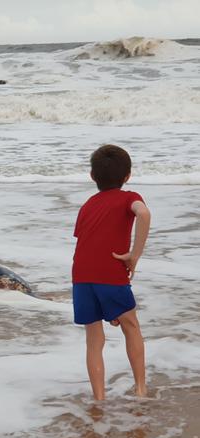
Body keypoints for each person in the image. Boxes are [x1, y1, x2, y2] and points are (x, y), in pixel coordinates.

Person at [72, 144, 151, 400]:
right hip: (109, 272)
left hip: (81, 275)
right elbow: (144, 213)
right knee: (131, 326)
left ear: (93, 176)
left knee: (94, 340)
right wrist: (134, 255)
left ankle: (99, 399)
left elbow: (86, 240)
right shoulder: (129, 197)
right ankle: (140, 390)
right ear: (127, 175)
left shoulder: (87, 205)